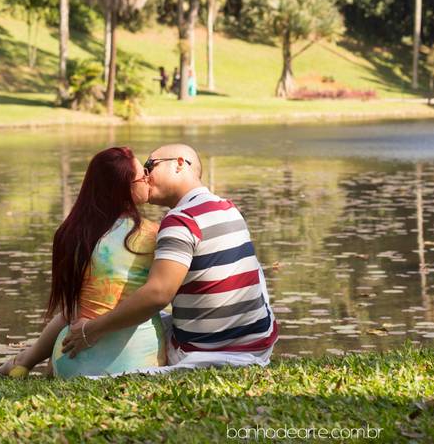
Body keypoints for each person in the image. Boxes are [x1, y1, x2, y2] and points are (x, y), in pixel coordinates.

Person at [62, 143, 278, 370]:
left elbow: (158, 294)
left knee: (107, 321)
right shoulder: (228, 208)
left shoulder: (181, 220)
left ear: (179, 164)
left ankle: (52, 366)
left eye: (150, 166)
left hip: (204, 353)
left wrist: (92, 329)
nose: (145, 176)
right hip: (258, 345)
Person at [0, 147, 166, 378]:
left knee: (74, 309)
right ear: (125, 188)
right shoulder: (154, 234)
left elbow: (71, 307)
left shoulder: (72, 233)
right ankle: (25, 361)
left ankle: (23, 361)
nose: (148, 179)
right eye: (143, 175)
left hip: (70, 359)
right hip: (139, 361)